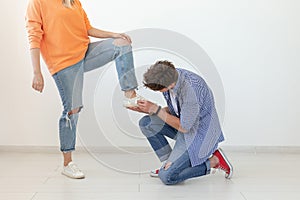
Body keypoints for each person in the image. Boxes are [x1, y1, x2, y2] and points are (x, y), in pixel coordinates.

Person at [25, 0, 141, 179]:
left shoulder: (73, 1)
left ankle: (129, 94)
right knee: (72, 110)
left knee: (121, 44)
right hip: (63, 63)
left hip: (84, 53)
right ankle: (67, 163)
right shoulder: (38, 2)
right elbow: (34, 36)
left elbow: (88, 29)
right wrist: (36, 72)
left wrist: (114, 34)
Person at [128, 60, 233, 185]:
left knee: (167, 177)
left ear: (169, 85)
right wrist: (148, 110)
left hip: (198, 135)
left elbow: (184, 127)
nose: (160, 92)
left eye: (160, 90)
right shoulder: (171, 77)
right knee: (147, 123)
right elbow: (176, 110)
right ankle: (168, 164)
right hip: (184, 128)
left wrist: (155, 109)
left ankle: (214, 161)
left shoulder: (192, 90)